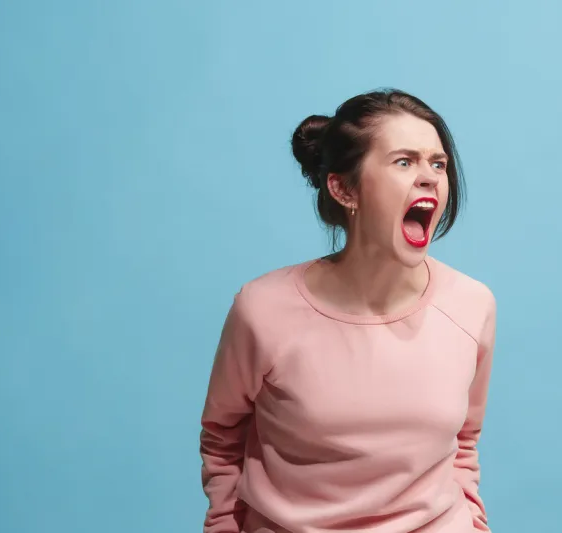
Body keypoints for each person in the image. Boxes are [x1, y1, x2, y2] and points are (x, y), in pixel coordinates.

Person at [200, 89, 497, 533]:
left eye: (438, 163)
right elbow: (222, 439)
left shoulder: (471, 305)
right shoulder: (262, 310)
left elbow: (464, 441)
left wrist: (474, 522)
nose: (430, 177)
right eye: (404, 161)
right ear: (344, 188)